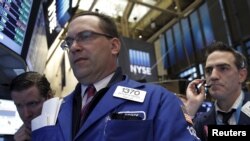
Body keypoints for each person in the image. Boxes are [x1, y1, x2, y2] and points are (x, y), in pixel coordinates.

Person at [31, 11, 200, 141]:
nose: (74, 47)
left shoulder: (158, 100)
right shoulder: (55, 111)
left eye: (85, 37)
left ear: (114, 46)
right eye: (69, 42)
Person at [186, 41, 250, 141]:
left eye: (223, 68)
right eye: (208, 71)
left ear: (241, 75)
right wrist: (190, 107)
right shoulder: (201, 123)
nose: (213, 76)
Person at [10, 71, 54, 141]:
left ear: (49, 98)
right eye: (19, 105)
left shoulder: (68, 127)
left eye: (32, 104)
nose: (26, 114)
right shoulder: (21, 137)